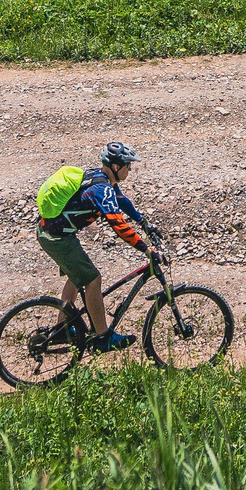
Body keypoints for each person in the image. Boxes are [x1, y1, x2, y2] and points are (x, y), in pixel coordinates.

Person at [38, 141, 159, 351]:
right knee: (93, 280)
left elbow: (122, 201)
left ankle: (61, 329)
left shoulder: (101, 178)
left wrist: (143, 222)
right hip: (57, 238)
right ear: (116, 167)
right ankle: (103, 337)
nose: (129, 170)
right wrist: (146, 249)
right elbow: (119, 225)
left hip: (52, 232)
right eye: (127, 166)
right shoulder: (101, 190)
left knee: (77, 278)